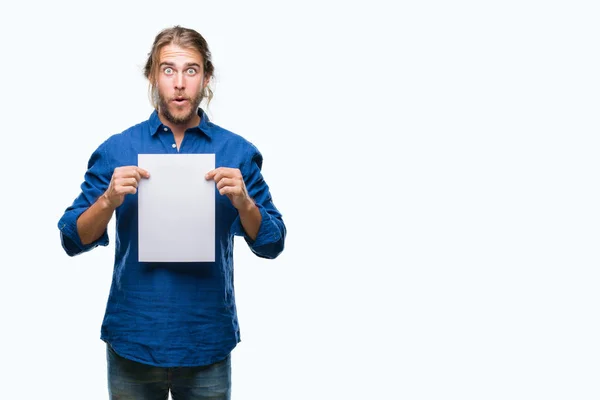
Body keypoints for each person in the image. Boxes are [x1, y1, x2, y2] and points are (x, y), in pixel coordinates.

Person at [57, 25, 286, 399]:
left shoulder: (237, 152)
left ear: (205, 77)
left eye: (191, 70)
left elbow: (273, 242)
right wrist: (107, 201)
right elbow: (71, 239)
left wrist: (245, 203)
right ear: (153, 76)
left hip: (206, 339)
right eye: (168, 70)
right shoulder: (117, 149)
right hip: (134, 335)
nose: (179, 83)